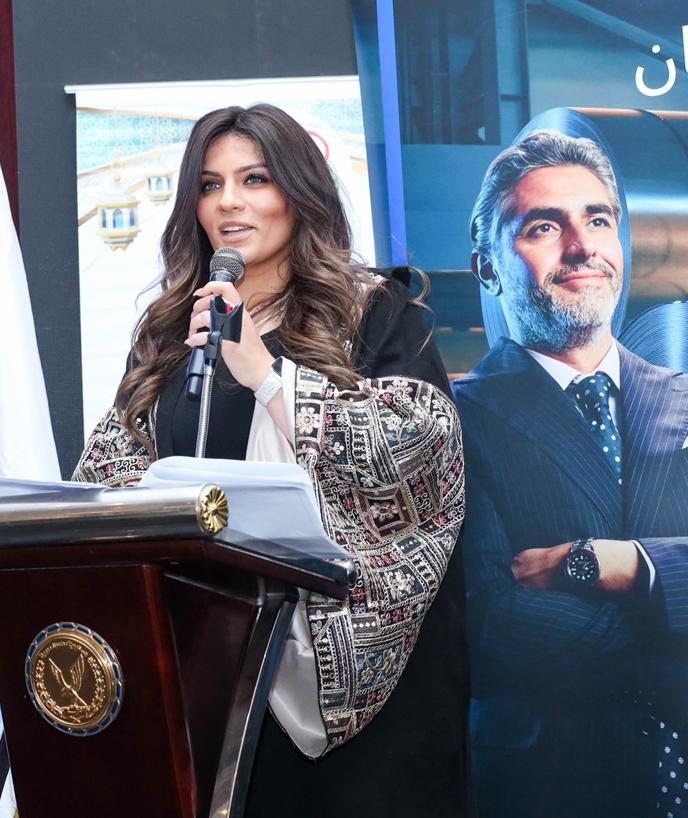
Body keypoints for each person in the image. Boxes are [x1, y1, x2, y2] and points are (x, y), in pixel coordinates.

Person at [73, 104, 469, 817]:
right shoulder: (171, 332)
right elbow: (107, 475)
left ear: (299, 190)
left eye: (254, 179)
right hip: (205, 671)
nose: (229, 201)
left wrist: (267, 376)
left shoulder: (374, 312)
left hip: (347, 706)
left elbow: (422, 457)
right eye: (210, 184)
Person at [454, 130, 688, 818]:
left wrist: (621, 565)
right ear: (487, 268)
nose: (583, 246)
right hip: (554, 789)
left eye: (598, 220)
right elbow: (491, 627)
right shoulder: (450, 421)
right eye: (544, 227)